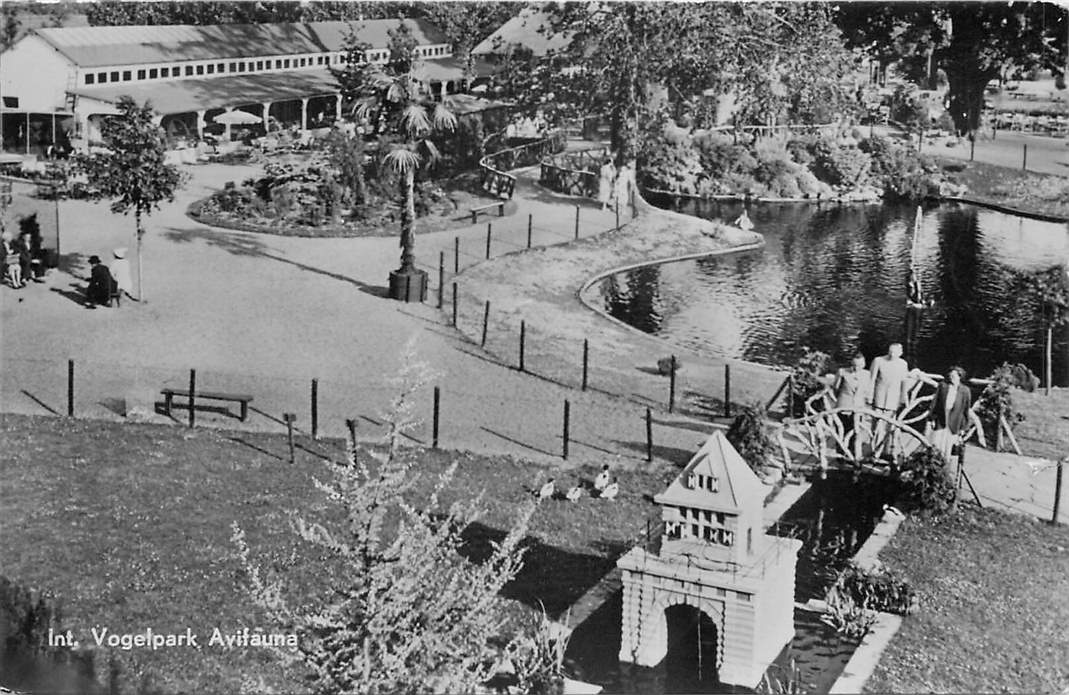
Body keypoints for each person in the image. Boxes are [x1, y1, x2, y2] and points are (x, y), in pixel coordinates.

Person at [869, 343, 910, 459]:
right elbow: (872, 380)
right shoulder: (878, 361)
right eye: (890, 351)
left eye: (895, 352)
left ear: (900, 353)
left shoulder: (903, 364)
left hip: (893, 399)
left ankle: (888, 451)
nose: (892, 354)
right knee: (877, 426)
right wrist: (870, 396)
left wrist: (904, 397)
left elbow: (904, 382)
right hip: (879, 398)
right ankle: (875, 451)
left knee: (890, 426)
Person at [927, 366, 972, 465]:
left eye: (954, 376)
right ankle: (933, 465)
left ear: (960, 377)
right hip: (941, 418)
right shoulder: (943, 386)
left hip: (954, 421)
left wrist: (964, 428)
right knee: (937, 444)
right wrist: (931, 419)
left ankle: (944, 468)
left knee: (948, 446)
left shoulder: (965, 391)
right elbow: (934, 403)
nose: (952, 377)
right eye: (950, 375)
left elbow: (965, 410)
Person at [831, 353, 871, 458]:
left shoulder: (867, 374)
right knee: (841, 430)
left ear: (863, 365)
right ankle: (840, 454)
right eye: (854, 365)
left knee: (855, 431)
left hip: (858, 406)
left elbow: (867, 391)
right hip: (844, 404)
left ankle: (853, 454)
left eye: (859, 365)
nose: (856, 368)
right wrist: (842, 399)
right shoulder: (842, 372)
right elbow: (836, 388)